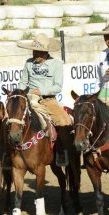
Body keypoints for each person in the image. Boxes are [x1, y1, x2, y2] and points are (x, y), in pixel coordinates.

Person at [17, 33, 72, 165]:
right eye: (34, 51)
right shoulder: (28, 63)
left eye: (38, 51)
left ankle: (61, 152)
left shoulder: (56, 64)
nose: (34, 54)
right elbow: (23, 82)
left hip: (48, 100)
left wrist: (42, 91)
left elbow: (58, 87)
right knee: (11, 119)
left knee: (64, 121)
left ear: (45, 52)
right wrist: (19, 94)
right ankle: (8, 153)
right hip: (29, 98)